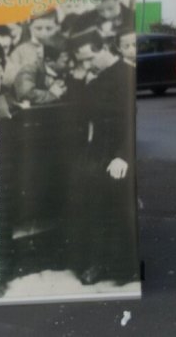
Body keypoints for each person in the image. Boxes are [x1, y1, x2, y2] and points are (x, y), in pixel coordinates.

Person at [67, 26, 139, 286]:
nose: (85, 64)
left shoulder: (128, 75)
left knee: (108, 198)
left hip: (121, 151)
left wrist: (123, 156)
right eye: (81, 60)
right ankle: (93, 260)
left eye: (87, 58)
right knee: (82, 190)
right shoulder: (97, 79)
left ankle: (113, 264)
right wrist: (78, 78)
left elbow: (133, 122)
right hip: (98, 150)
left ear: (104, 49)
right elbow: (78, 114)